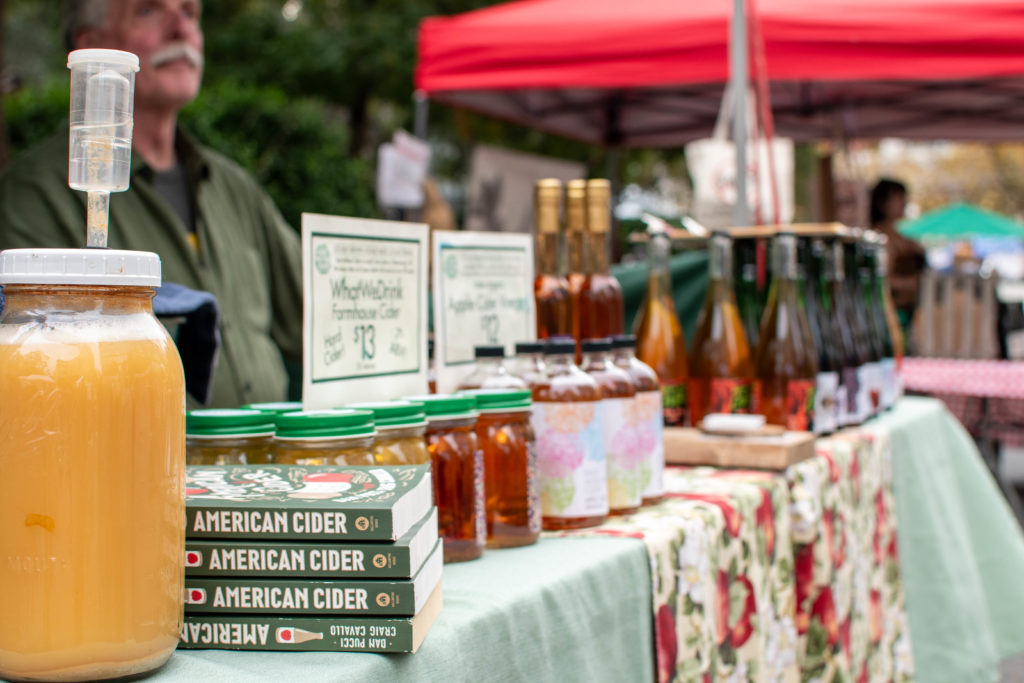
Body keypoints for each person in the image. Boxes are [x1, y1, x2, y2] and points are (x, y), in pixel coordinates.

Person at [0, 0, 302, 409]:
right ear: (89, 43)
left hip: (263, 463)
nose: (182, 29)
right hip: (138, 463)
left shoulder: (236, 189)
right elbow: (41, 372)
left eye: (191, 13)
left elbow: (320, 316)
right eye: (149, 11)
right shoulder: (34, 193)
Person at [869, 178, 926, 326]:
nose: (904, 203)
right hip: (894, 313)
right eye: (899, 198)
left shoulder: (903, 235)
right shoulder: (881, 238)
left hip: (914, 309)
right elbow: (882, 281)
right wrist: (910, 283)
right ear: (883, 203)